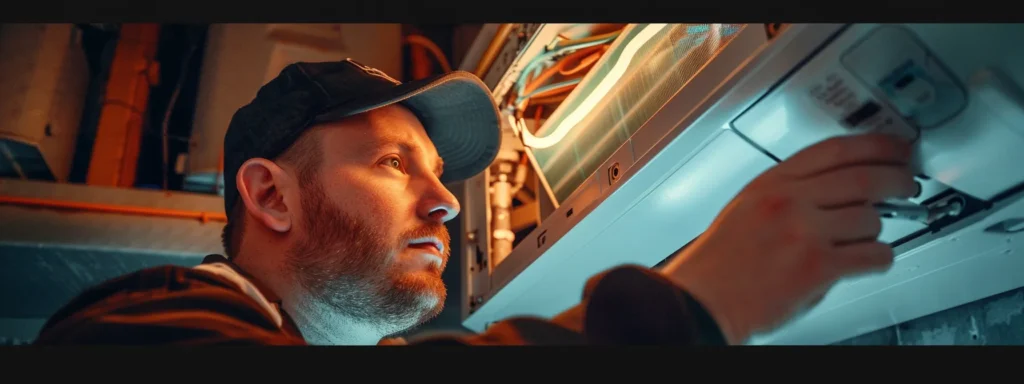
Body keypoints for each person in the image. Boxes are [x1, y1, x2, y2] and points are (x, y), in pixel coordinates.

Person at [32, 59, 917, 346]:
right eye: (392, 163)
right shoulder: (145, 324)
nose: (444, 204)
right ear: (271, 195)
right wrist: (689, 306)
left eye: (438, 176)